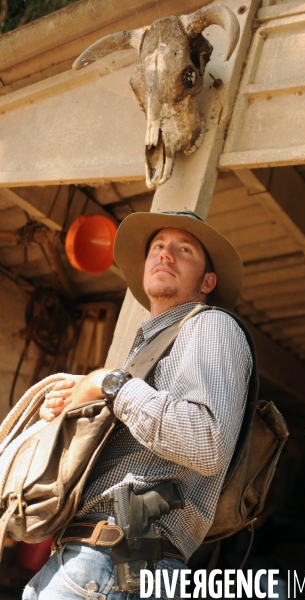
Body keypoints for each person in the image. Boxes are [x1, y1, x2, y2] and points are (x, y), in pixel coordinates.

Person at [23, 210, 253, 600]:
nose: (166, 255)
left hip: (112, 562)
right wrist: (70, 412)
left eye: (184, 250)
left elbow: (206, 440)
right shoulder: (153, 347)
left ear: (207, 281)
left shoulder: (211, 325)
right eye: (157, 248)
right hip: (103, 563)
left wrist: (109, 383)